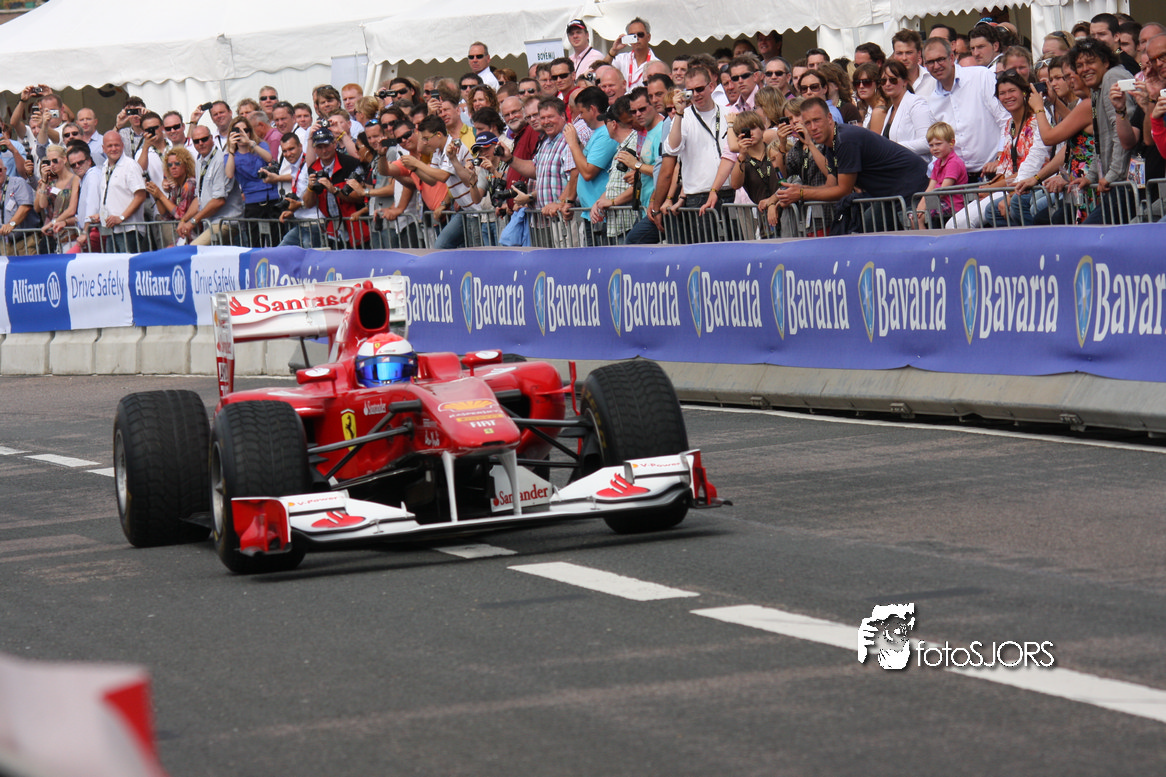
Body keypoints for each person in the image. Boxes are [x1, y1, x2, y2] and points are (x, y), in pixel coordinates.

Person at [773, 98, 929, 234]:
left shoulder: (845, 139)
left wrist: (801, 193)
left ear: (829, 118)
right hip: (889, 196)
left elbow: (843, 190)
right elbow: (831, 185)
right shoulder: (832, 143)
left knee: (915, 244)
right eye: (807, 123)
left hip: (911, 190)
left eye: (817, 120)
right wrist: (799, 190)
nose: (813, 127)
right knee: (864, 231)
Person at [947, 72, 1049, 228]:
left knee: (961, 223)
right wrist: (988, 187)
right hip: (1007, 186)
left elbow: (1034, 165)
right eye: (1002, 93)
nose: (1007, 96)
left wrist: (994, 187)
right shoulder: (1009, 124)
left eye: (1012, 91)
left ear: (1024, 92)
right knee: (952, 224)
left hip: (1028, 184)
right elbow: (1005, 168)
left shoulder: (1036, 120)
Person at [661, 63, 734, 241]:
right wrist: (679, 114)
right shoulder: (683, 117)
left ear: (711, 86)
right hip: (699, 195)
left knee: (735, 247)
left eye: (700, 89)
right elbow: (672, 148)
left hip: (729, 192)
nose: (695, 95)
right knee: (707, 250)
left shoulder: (728, 112)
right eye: (690, 91)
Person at [1066, 36, 1134, 223]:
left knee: (1090, 232)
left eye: (1090, 62)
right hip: (1117, 182)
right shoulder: (1098, 87)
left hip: (1125, 183)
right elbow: (1101, 140)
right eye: (1079, 65)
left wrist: (1112, 175)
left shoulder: (1112, 77)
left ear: (1105, 62)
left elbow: (1120, 132)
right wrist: (1092, 176)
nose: (1084, 69)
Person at [923, 37, 1010, 181]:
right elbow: (939, 144)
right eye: (930, 62)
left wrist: (1000, 158)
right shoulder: (932, 101)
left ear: (951, 58)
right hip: (959, 179)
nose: (936, 66)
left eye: (940, 59)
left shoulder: (980, 77)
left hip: (994, 172)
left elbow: (1005, 120)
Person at [302, 127, 369, 248]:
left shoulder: (351, 163)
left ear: (334, 144)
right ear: (314, 148)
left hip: (356, 225)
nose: (324, 150)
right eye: (319, 147)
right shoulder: (313, 169)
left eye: (326, 145)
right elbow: (308, 204)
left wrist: (334, 190)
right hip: (332, 230)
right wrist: (310, 188)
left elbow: (360, 197)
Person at [177, 126, 242, 246]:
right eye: (196, 141)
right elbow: (198, 199)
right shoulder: (199, 162)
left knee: (194, 248)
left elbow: (219, 200)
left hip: (226, 222)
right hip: (210, 223)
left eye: (204, 139)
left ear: (212, 138)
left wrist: (193, 221)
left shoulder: (221, 159)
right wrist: (184, 220)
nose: (201, 143)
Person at [224, 115, 279, 246]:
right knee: (255, 243)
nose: (242, 134)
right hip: (252, 202)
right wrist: (231, 149)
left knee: (276, 242)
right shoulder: (231, 155)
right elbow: (229, 174)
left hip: (271, 197)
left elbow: (269, 158)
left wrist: (250, 143)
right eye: (238, 131)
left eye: (246, 130)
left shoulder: (260, 145)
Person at [728, 110, 783, 233]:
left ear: (762, 129)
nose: (750, 133)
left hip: (786, 209)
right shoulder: (743, 161)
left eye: (753, 128)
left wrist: (772, 202)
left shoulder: (774, 150)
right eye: (745, 131)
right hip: (765, 218)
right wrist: (742, 154)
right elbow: (735, 184)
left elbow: (788, 179)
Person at [94, 131, 147, 252]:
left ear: (122, 146)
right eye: (110, 146)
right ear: (103, 148)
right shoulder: (105, 166)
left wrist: (122, 217)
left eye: (116, 145)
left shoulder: (130, 165)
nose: (113, 149)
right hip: (110, 229)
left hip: (129, 229)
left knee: (127, 262)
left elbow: (140, 195)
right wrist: (100, 215)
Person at [913, 121, 967, 228]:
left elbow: (943, 190)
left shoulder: (953, 163)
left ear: (951, 143)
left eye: (938, 144)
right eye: (931, 145)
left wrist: (925, 205)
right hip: (938, 201)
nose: (934, 148)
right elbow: (930, 187)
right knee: (914, 216)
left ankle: (927, 238)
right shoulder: (937, 163)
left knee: (919, 217)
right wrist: (920, 206)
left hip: (952, 205)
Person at [879, 60, 935, 160]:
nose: (887, 84)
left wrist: (893, 147)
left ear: (905, 82)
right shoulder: (891, 110)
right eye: (883, 81)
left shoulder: (917, 104)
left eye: (893, 80)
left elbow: (927, 142)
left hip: (916, 166)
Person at [146, 146, 198, 247]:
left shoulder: (190, 184)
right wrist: (156, 196)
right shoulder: (176, 188)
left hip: (194, 233)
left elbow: (179, 214)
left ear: (186, 165)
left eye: (177, 163)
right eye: (170, 165)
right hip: (184, 236)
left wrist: (161, 195)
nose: (173, 167)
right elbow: (166, 216)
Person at [34, 144, 78, 252]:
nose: (52, 165)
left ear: (64, 159)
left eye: (55, 160)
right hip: (54, 234)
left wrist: (52, 223)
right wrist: (44, 182)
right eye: (49, 162)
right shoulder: (52, 182)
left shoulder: (75, 179)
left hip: (71, 232)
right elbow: (42, 204)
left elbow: (72, 209)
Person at [605, 17, 658, 90]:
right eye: (632, 36)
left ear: (648, 37)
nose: (637, 38)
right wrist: (613, 50)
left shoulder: (656, 64)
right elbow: (601, 71)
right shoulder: (621, 59)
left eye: (640, 34)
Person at [0, 162, 40, 254]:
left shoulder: (18, 183)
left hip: (25, 240)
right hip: (4, 243)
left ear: (5, 169)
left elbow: (25, 207)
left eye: (0, 170)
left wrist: (11, 224)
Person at [891, 29, 935, 99]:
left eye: (909, 53)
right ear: (894, 55)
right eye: (899, 53)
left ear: (919, 53)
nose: (904, 58)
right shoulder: (887, 83)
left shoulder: (933, 79)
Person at [853, 62, 887, 131]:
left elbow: (874, 137)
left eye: (867, 82)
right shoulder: (868, 107)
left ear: (878, 84)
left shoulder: (879, 111)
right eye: (857, 83)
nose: (861, 86)